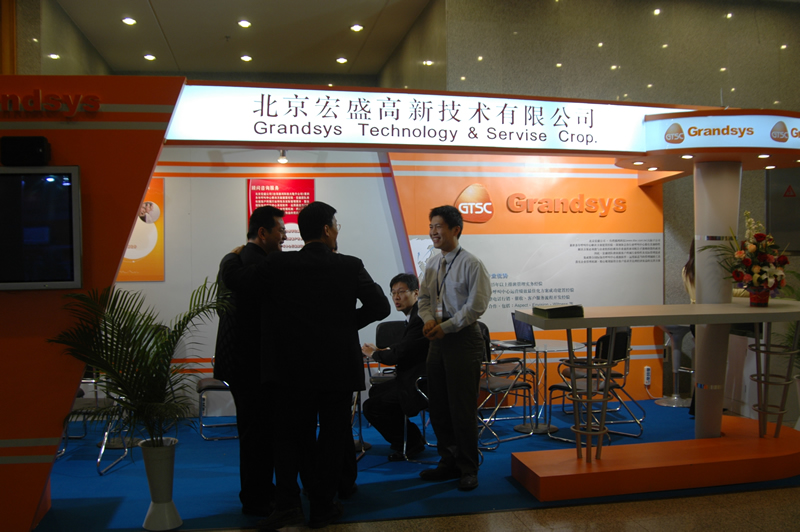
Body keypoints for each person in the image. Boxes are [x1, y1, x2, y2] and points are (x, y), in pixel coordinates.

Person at [221, 201, 390, 529]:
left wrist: (231, 256)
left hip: (290, 369)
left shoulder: (279, 264)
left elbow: (236, 280)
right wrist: (343, 325)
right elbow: (380, 306)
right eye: (336, 226)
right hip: (337, 370)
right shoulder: (350, 265)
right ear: (326, 229)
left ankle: (288, 506)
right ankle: (323, 506)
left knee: (288, 437)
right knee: (332, 437)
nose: (337, 231)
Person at [213, 205, 286, 516]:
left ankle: (259, 492)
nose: (284, 237)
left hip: (241, 364)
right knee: (258, 435)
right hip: (254, 365)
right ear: (263, 232)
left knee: (256, 432)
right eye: (281, 231)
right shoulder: (260, 264)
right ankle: (257, 499)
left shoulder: (238, 259)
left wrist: (230, 257)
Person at [416, 205, 491, 491]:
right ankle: (448, 461)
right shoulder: (433, 264)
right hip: (437, 339)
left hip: (462, 338)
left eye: (438, 226)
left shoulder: (472, 263)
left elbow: (476, 307)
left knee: (461, 408)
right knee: (438, 406)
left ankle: (468, 467)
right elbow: (424, 299)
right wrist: (427, 319)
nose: (433, 232)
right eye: (431, 226)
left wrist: (445, 327)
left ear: (455, 229)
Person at [362, 273, 429, 461]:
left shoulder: (419, 318)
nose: (396, 297)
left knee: (371, 407)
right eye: (393, 293)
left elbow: (399, 354)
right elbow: (406, 348)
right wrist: (379, 350)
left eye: (401, 292)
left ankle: (410, 443)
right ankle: (410, 437)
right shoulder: (414, 315)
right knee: (376, 392)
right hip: (414, 377)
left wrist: (374, 354)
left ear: (416, 293)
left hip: (421, 383)